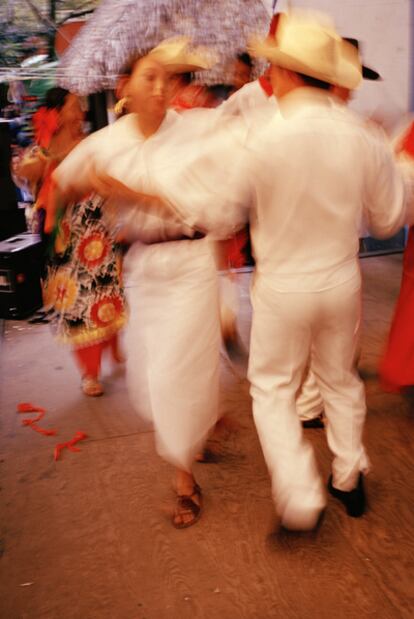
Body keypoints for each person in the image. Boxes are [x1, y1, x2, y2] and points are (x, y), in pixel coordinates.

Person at [53, 38, 245, 528]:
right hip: (146, 270)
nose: (161, 89)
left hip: (192, 264)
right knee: (155, 378)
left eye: (168, 79)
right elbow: (67, 177)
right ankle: (200, 428)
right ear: (125, 87)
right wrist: (65, 183)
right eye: (149, 78)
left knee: (181, 371)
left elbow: (217, 209)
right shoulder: (108, 142)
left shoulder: (201, 132)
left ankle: (184, 479)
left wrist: (135, 194)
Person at [233, 11, 412, 529]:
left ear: (288, 73)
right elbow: (386, 221)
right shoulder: (360, 135)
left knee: (272, 388)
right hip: (339, 278)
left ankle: (299, 491)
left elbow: (222, 210)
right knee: (340, 381)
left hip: (282, 282)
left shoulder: (262, 134)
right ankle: (348, 474)